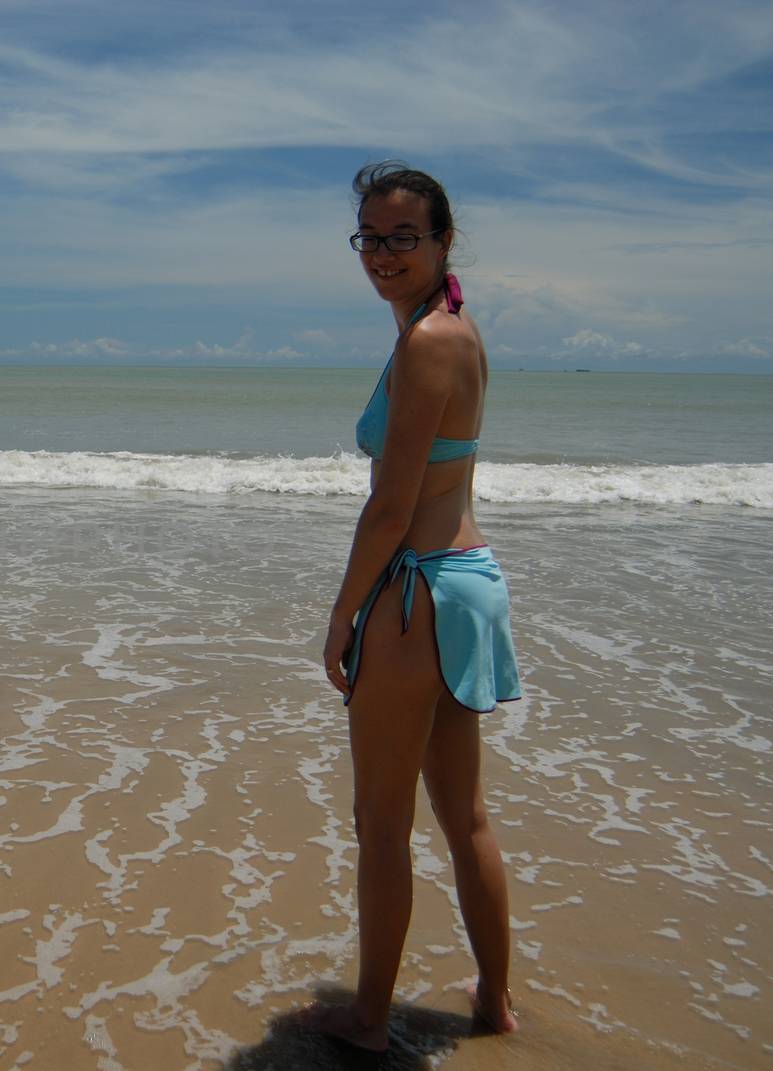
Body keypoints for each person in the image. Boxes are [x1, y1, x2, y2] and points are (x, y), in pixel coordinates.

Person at [308, 162, 522, 1051]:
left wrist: (341, 617)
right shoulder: (453, 329)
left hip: (417, 592)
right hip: (465, 583)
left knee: (383, 823)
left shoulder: (429, 341)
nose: (384, 253)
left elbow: (391, 506)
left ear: (443, 241)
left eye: (405, 236)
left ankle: (366, 1022)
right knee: (462, 813)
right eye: (371, 236)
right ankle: (496, 1004)